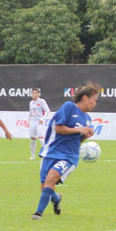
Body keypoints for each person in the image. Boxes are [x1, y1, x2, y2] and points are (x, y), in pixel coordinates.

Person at [32, 83, 100, 220]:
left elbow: (77, 140)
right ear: (85, 97)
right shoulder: (69, 107)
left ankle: (38, 213)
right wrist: (80, 130)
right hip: (50, 152)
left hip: (69, 156)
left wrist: (85, 137)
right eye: (94, 100)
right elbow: (59, 128)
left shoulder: (87, 119)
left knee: (51, 178)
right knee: (46, 187)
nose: (95, 104)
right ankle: (57, 199)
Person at [28, 87, 51, 160]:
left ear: (39, 94)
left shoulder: (42, 101)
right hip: (32, 122)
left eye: (36, 93)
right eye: (33, 93)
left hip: (39, 122)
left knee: (41, 139)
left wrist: (42, 118)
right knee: (32, 139)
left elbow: (47, 111)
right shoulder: (31, 103)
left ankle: (45, 155)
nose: (34, 94)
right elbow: (30, 113)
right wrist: (29, 121)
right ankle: (32, 156)